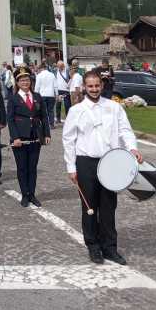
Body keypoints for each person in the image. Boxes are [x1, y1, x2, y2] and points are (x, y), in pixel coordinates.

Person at [62, 71, 142, 265]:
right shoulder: (76, 111)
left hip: (110, 162)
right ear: (84, 88)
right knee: (89, 207)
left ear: (102, 85)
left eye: (97, 85)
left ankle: (110, 247)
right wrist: (71, 167)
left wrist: (132, 148)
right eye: (90, 86)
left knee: (108, 207)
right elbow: (68, 140)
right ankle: (93, 246)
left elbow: (125, 130)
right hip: (85, 162)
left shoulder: (114, 107)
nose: (94, 89)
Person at [7, 66, 50, 206]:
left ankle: (32, 194)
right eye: (22, 80)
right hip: (20, 138)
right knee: (22, 167)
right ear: (17, 83)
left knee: (32, 167)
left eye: (27, 80)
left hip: (35, 137)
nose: (25, 83)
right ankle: (24, 194)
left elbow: (44, 116)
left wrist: (46, 134)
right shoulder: (13, 99)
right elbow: (11, 120)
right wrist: (15, 138)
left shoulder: (37, 97)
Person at [34, 63, 57, 130]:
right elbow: (55, 85)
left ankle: (44, 124)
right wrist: (57, 94)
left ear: (41, 68)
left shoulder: (39, 75)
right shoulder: (52, 75)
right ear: (46, 68)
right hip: (51, 94)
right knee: (51, 110)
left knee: (43, 110)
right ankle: (52, 124)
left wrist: (35, 95)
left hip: (42, 95)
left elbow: (37, 86)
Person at [54, 60, 70, 125]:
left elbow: (70, 79)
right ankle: (58, 119)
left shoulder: (67, 71)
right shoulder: (55, 72)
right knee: (58, 105)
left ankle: (68, 119)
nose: (60, 67)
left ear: (63, 65)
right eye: (58, 66)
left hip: (66, 90)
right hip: (58, 90)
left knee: (67, 105)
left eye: (61, 66)